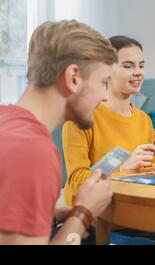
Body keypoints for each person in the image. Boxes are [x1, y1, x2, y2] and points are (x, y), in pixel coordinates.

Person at [0, 20, 115, 244]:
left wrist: (50, 213)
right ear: (73, 78)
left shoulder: (7, 122)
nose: (105, 96)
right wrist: (84, 212)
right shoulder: (33, 151)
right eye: (103, 82)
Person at [63, 36, 155, 206]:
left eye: (141, 65)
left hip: (141, 209)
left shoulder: (143, 120)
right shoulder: (79, 118)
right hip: (99, 215)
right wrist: (123, 168)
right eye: (128, 66)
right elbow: (76, 180)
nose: (138, 72)